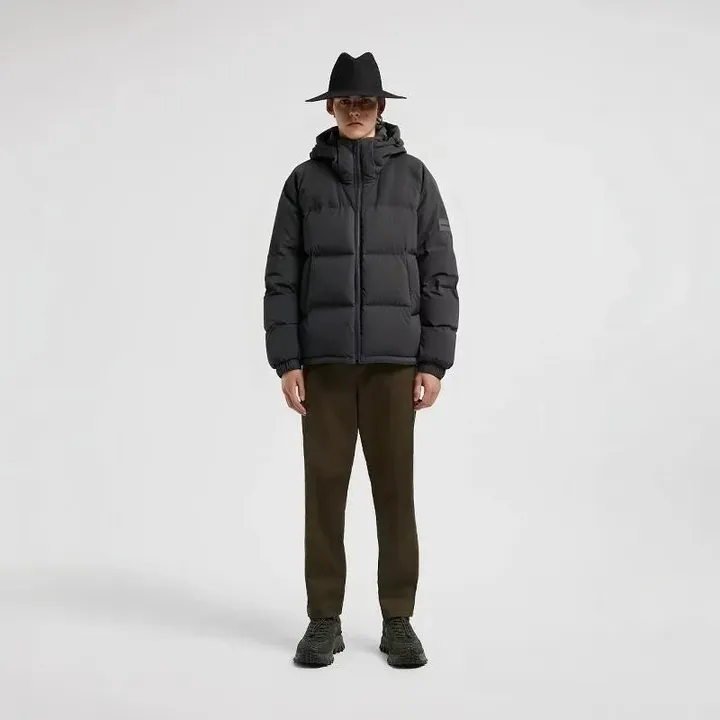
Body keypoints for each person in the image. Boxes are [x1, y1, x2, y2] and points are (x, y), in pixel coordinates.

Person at [263, 51, 459, 668]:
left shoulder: (415, 179)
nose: (355, 110)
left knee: (394, 493)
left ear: (380, 108)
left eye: (365, 101)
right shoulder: (303, 182)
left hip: (393, 364)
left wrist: (433, 362)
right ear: (330, 107)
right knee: (324, 493)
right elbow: (281, 278)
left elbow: (439, 273)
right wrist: (287, 360)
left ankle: (398, 619)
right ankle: (324, 619)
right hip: (322, 365)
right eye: (346, 100)